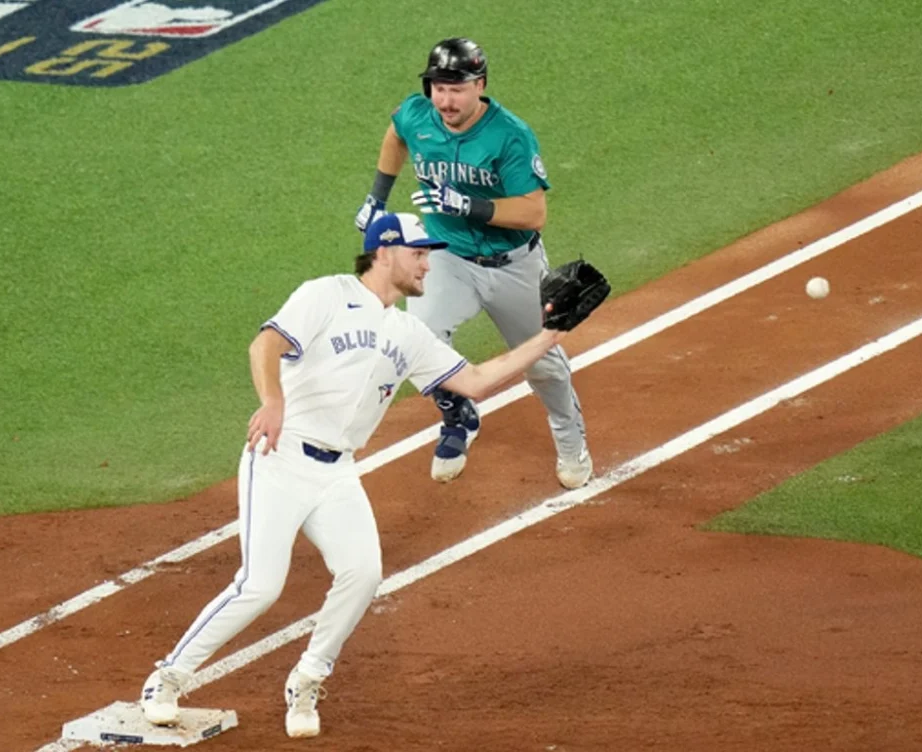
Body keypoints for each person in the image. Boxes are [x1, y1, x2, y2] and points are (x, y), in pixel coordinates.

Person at [139, 213, 579, 739]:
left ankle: (307, 679)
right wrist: (273, 401)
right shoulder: (326, 294)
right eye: (420, 253)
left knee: (363, 572)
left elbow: (478, 382)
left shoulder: (407, 331)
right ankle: (168, 678)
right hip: (280, 456)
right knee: (260, 585)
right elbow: (265, 346)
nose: (428, 263)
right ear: (386, 251)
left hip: (338, 471)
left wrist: (551, 334)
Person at [354, 37, 592, 490]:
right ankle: (458, 416)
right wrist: (377, 197)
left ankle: (570, 439)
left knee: (541, 363)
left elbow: (534, 212)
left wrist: (470, 205)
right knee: (415, 342)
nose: (445, 99)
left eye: (456, 88)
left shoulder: (510, 136)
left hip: (513, 265)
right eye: (438, 88)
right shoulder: (417, 114)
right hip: (446, 259)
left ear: (479, 85)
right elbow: (396, 134)